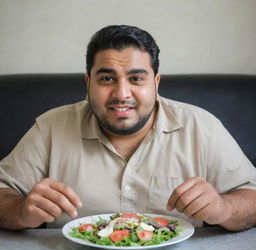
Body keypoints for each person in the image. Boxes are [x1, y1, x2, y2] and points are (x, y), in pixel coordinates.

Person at [0, 25, 256, 231]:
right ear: (88, 82)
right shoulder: (50, 128)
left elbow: (252, 196)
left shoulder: (202, 127)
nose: (121, 94)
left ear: (156, 82)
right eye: (107, 78)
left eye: (136, 79)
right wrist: (19, 210)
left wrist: (224, 208)